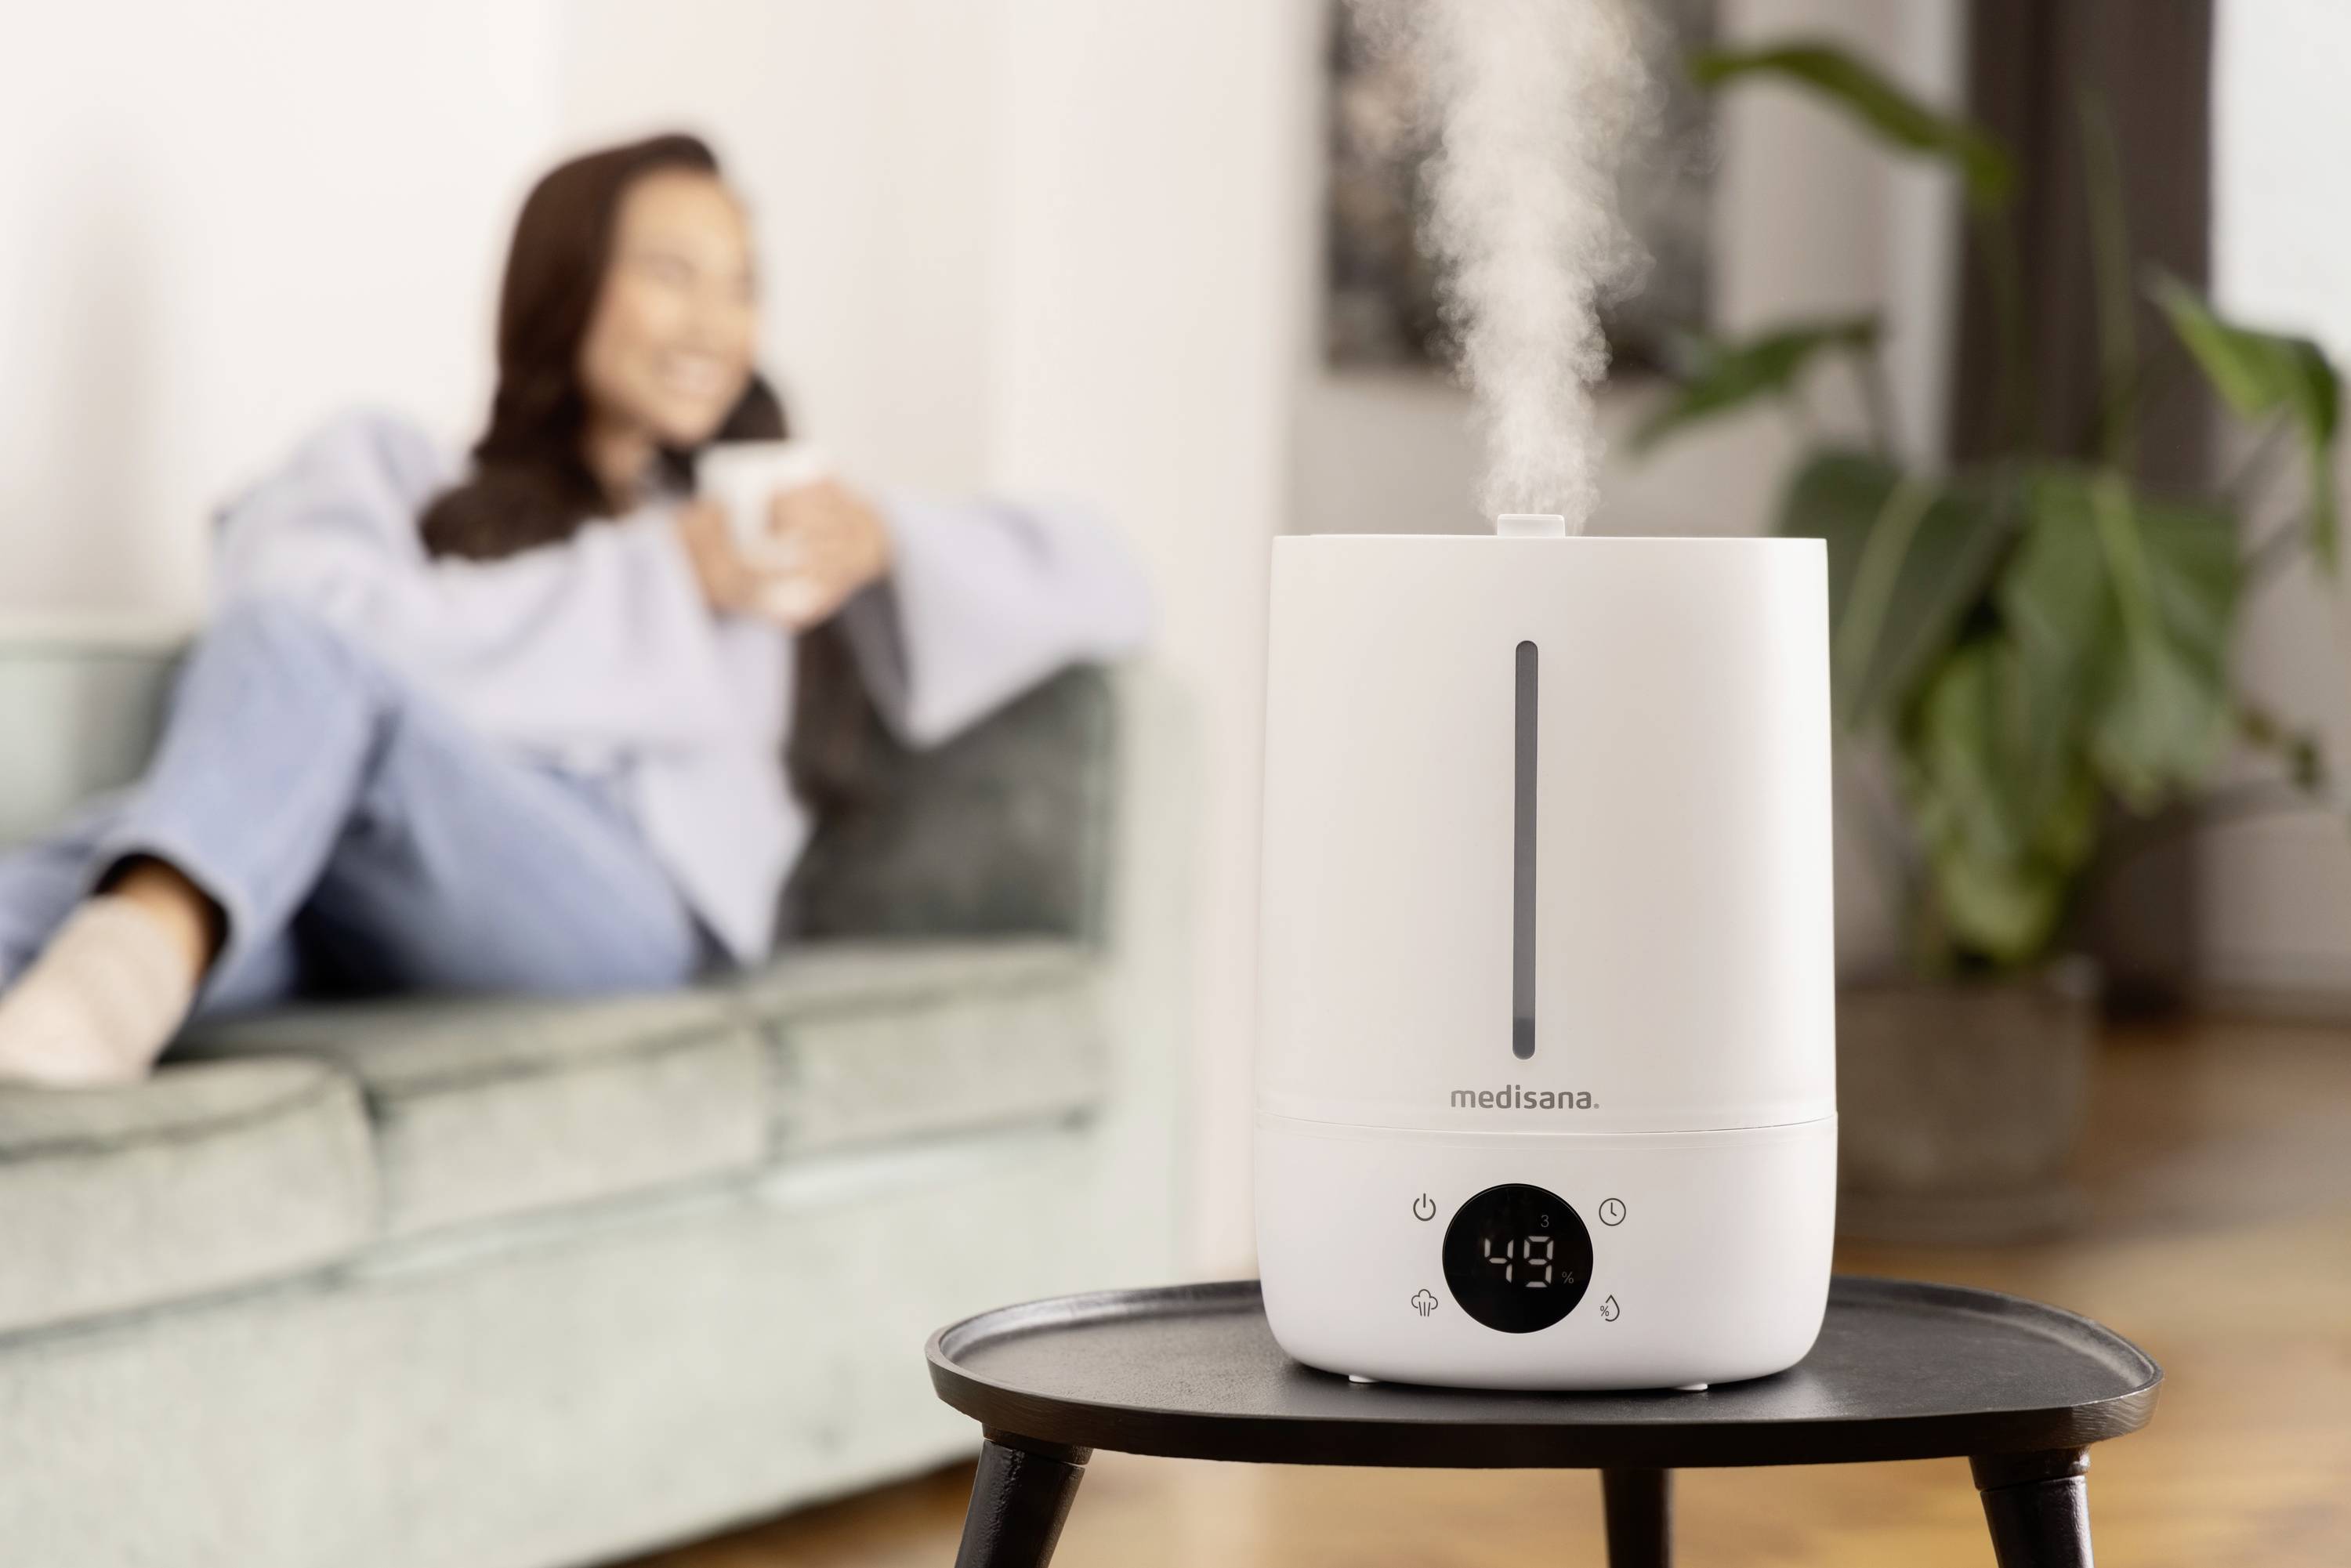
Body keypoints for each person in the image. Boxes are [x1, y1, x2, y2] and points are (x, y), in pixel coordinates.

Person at [0, 132, 1147, 1088]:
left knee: (268, 723)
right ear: (567, 279)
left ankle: (122, 965)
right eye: (672, 272)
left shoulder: (757, 533)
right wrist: (656, 577)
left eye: (743, 285)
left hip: (619, 912)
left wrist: (891, 534)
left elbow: (1111, 579)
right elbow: (280, 619)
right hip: (390, 894)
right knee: (185, 881)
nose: (714, 321)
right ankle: (119, 971)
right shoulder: (399, 474)